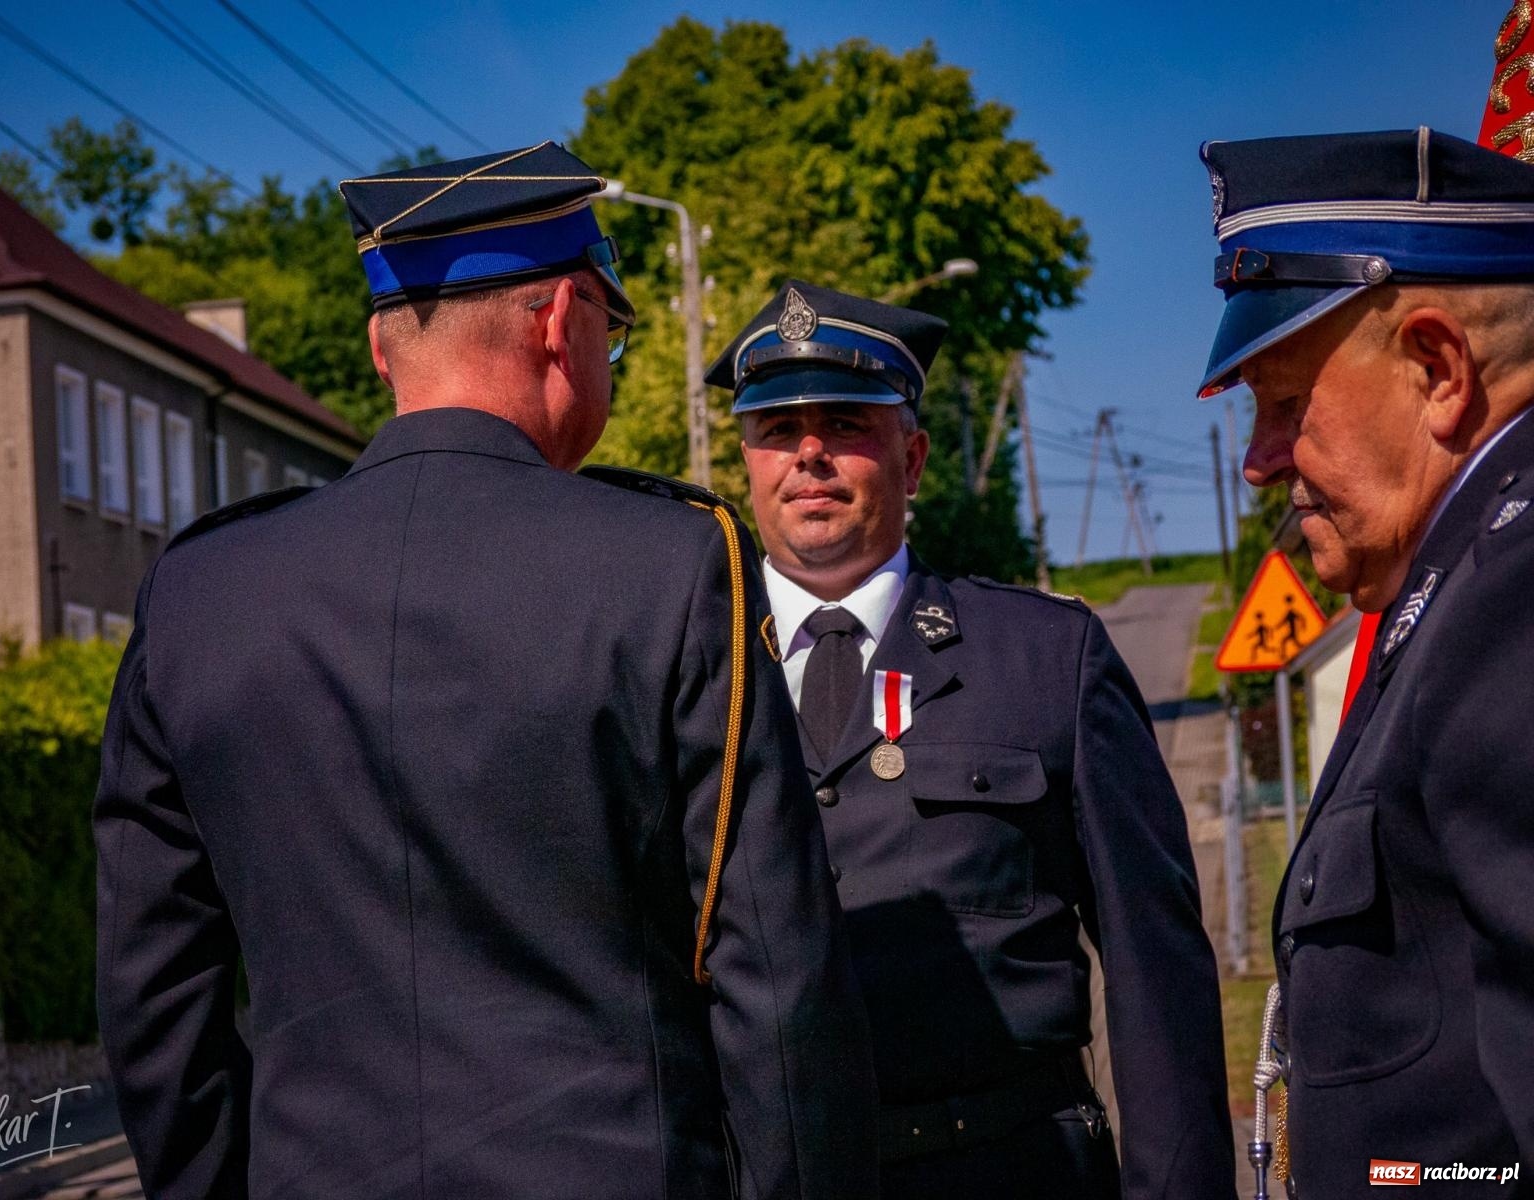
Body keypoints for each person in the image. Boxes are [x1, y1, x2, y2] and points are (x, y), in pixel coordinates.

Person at [94, 144, 878, 1200]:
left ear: (382, 350)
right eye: (612, 322)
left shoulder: (200, 593)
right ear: (561, 320)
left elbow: (154, 997)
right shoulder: (671, 563)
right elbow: (775, 977)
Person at [708, 281, 1234, 1199]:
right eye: (777, 429)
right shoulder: (688, 670)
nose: (809, 456)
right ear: (747, 459)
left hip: (1006, 1168)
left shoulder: (1046, 659)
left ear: (911, 460)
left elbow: (1157, 972)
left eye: (847, 425)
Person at [1198, 126, 1534, 1195]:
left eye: (1285, 403)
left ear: (1436, 369)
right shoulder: (1456, 586)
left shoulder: (1509, 599)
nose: (1258, 462)